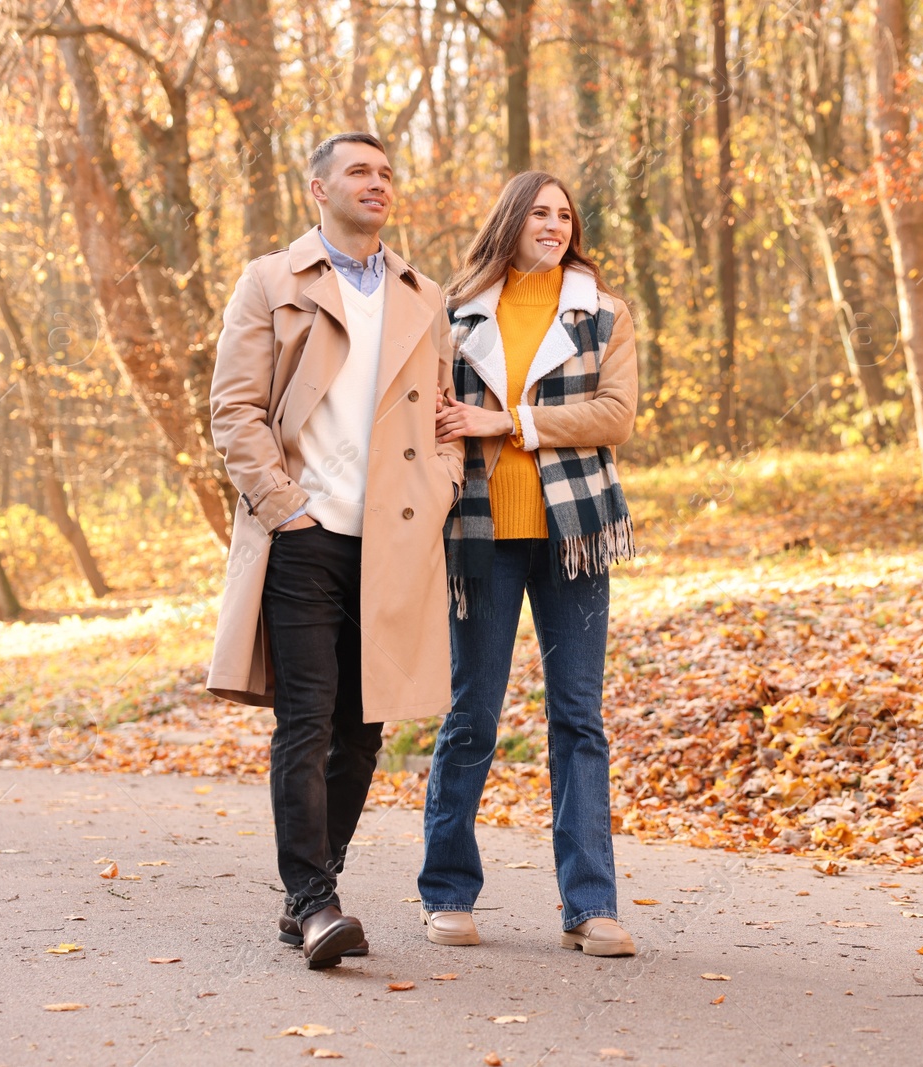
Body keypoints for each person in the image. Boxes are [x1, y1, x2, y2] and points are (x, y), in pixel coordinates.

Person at [206, 132, 463, 969]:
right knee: (307, 719)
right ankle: (317, 902)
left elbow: (445, 419)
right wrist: (284, 509)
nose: (378, 182)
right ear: (317, 187)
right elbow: (235, 410)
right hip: (303, 538)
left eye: (387, 172)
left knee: (361, 733)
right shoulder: (270, 281)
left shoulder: (423, 295)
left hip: (391, 540)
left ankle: (313, 887)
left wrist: (441, 491)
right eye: (359, 170)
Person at [418, 171, 639, 957]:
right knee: (471, 711)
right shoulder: (448, 313)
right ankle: (446, 890)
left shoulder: (603, 313)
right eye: (539, 212)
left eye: (564, 214)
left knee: (579, 718)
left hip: (574, 532)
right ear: (511, 221)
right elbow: (434, 418)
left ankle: (591, 905)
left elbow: (615, 416)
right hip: (476, 530)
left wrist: (507, 421)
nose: (553, 223)